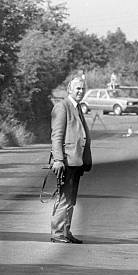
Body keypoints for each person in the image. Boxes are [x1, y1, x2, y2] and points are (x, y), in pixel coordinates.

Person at [49, 76, 92, 244]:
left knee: (71, 199)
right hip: (66, 161)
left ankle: (65, 231)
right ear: (69, 89)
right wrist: (58, 160)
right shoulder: (62, 107)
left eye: (83, 88)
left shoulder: (77, 107)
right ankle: (58, 233)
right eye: (78, 88)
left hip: (77, 162)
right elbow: (56, 136)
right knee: (65, 198)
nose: (80, 91)